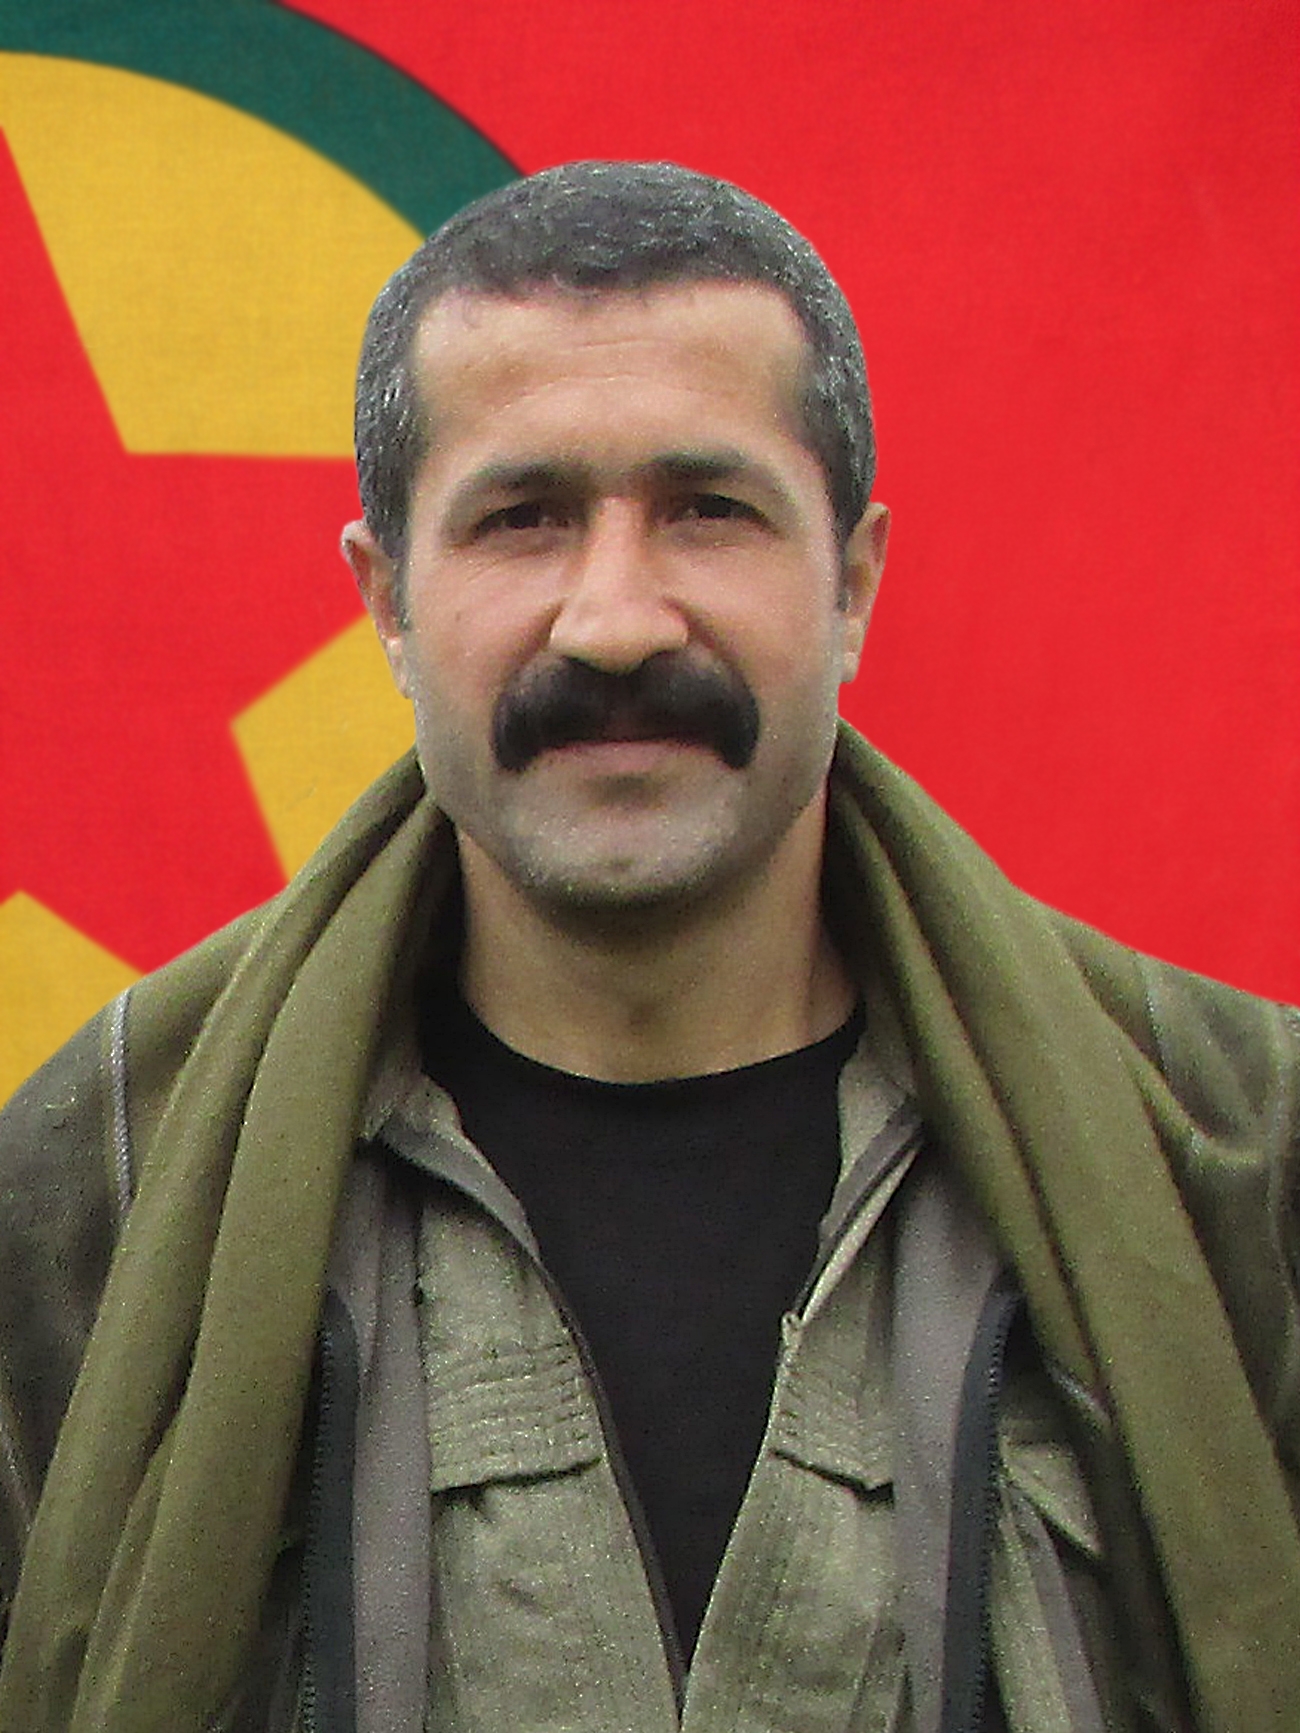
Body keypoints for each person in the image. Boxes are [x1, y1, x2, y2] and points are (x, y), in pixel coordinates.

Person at [0, 160, 1297, 1733]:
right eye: (523, 519)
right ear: (386, 601)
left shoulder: (1234, 1159)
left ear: (854, 581)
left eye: (709, 510)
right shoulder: (94, 1196)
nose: (615, 620)